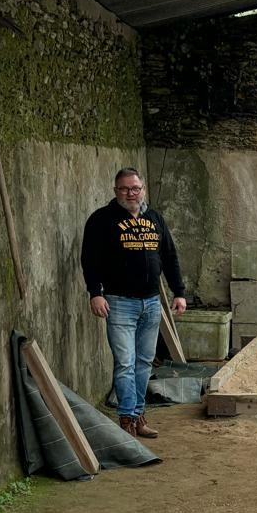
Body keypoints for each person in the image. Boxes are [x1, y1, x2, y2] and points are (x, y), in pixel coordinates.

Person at [81, 168, 186, 439]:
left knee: (144, 363)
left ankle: (138, 416)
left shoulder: (155, 219)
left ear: (143, 190)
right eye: (125, 189)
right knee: (125, 363)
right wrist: (95, 292)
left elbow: (170, 257)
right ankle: (126, 419)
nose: (131, 193)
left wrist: (179, 292)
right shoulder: (101, 220)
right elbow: (89, 260)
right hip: (119, 303)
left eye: (135, 188)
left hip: (151, 304)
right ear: (116, 191)